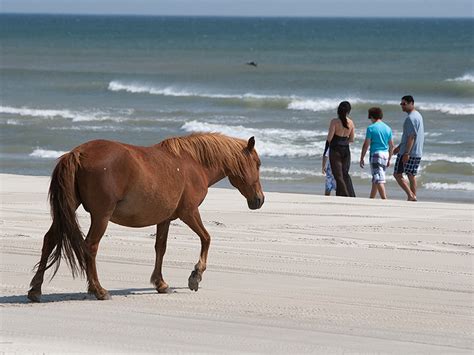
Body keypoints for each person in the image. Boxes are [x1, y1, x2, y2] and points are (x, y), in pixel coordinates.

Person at [393, 95, 424, 201]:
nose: (402, 106)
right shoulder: (418, 116)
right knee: (411, 174)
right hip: (416, 151)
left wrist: (406, 153)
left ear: (411, 103)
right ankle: (412, 197)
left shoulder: (410, 118)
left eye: (404, 104)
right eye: (401, 103)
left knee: (397, 174)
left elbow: (411, 137)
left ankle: (411, 195)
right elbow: (409, 136)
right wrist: (399, 147)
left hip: (408, 152)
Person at [359, 107, 394, 199]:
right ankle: (372, 198)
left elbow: (366, 144)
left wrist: (362, 157)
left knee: (378, 179)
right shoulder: (388, 128)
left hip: (376, 154)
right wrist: (390, 158)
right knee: (376, 177)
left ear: (372, 116)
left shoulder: (371, 128)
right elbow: (391, 145)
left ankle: (384, 198)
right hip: (385, 154)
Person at [323, 101, 356, 197]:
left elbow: (329, 138)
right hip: (346, 149)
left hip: (335, 149)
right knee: (345, 174)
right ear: (348, 111)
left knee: (338, 175)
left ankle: (345, 195)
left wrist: (325, 153)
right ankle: (349, 195)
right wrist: (344, 142)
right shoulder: (351, 122)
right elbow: (352, 139)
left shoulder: (334, 122)